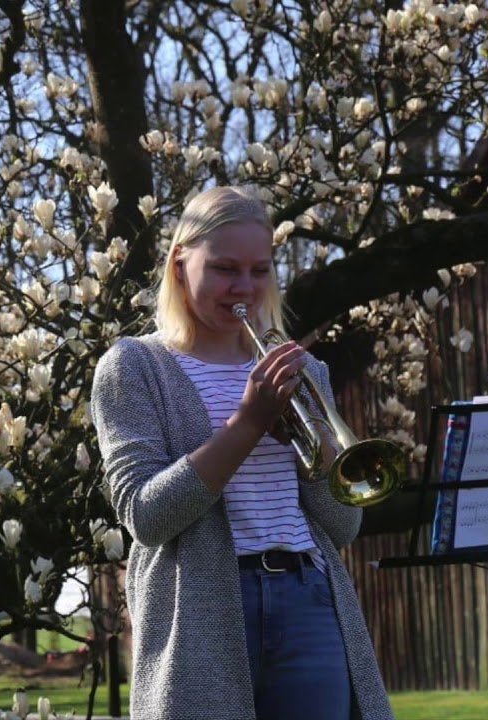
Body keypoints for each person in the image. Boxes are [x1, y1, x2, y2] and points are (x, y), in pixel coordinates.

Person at [89, 186, 392, 720]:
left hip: (308, 594)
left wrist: (316, 448)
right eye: (226, 269)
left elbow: (342, 528)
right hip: (200, 605)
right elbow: (146, 515)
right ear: (181, 264)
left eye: (260, 271)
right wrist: (248, 423)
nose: (245, 288)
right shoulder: (134, 367)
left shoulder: (302, 370)